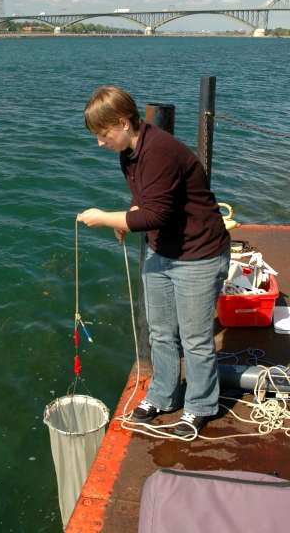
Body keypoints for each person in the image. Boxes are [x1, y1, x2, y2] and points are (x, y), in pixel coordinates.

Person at [77, 85, 230, 436]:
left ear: (124, 123)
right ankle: (163, 394)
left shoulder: (159, 151)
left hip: (199, 253)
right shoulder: (128, 152)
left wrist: (108, 218)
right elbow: (143, 200)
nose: (100, 143)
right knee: (161, 332)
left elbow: (157, 215)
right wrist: (130, 214)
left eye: (103, 135)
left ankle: (201, 404)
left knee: (194, 337)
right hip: (163, 251)